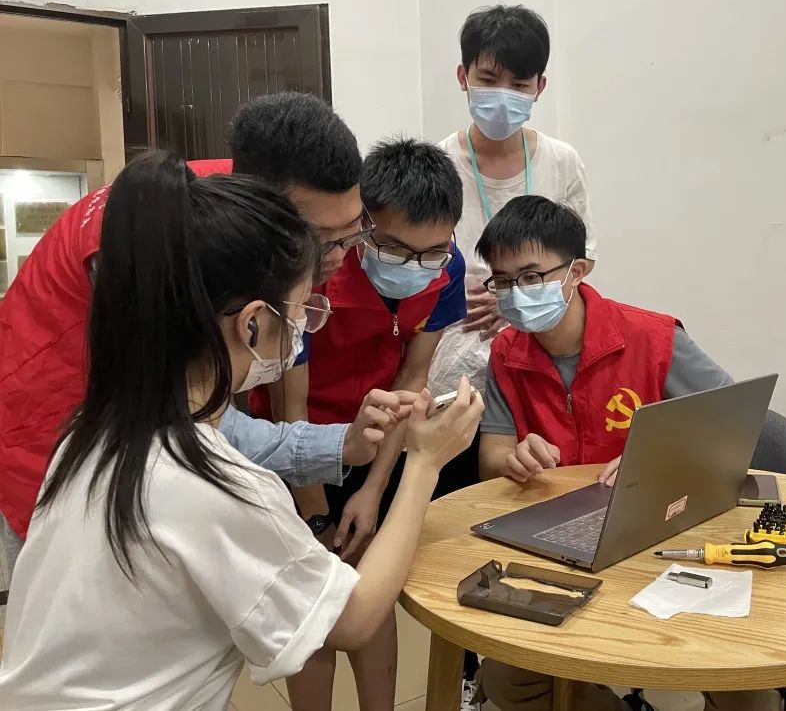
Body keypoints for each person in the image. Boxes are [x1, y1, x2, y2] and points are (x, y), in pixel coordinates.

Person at [0, 152, 484, 709]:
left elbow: (244, 436)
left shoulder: (94, 429)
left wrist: (348, 442)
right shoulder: (222, 488)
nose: (306, 325)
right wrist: (424, 463)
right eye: (302, 311)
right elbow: (352, 620)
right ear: (253, 323)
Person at [0, 91, 378, 591]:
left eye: (352, 232)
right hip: (50, 432)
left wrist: (344, 443)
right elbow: (198, 425)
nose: (336, 256)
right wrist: (356, 451)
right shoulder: (170, 246)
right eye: (322, 239)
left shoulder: (245, 201)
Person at [472, 196, 774, 711]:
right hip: (562, 537)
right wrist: (515, 458)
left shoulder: (652, 338)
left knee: (743, 684)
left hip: (663, 527)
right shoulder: (507, 353)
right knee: (508, 680)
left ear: (577, 271)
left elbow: (729, 423)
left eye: (531, 277)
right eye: (502, 282)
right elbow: (492, 457)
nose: (516, 294)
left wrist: (653, 457)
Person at [247, 138, 467, 711]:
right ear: (362, 224)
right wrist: (317, 516)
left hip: (375, 439)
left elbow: (412, 379)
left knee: (371, 589)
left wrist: (373, 490)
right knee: (312, 606)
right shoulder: (315, 274)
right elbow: (292, 408)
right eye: (394, 248)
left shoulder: (447, 269)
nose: (415, 266)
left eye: (432, 252)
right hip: (294, 446)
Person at [426, 3, 599, 708]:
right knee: (454, 526)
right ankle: (472, 668)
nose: (503, 95)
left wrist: (513, 295)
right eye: (490, 78)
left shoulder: (561, 162)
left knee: (524, 508)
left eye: (520, 84)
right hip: (450, 373)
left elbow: (576, 259)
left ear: (540, 87)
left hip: (532, 370)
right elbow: (413, 270)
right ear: (463, 75)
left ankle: (530, 659)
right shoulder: (438, 164)